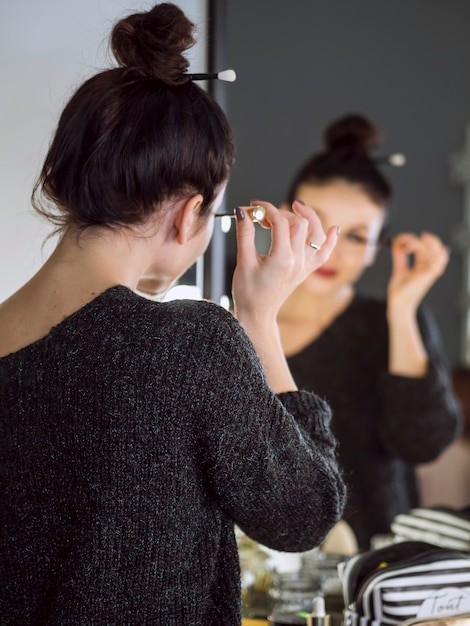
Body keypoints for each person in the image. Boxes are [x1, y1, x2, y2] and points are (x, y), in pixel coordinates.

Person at [0, 4, 347, 625]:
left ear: (61, 182)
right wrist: (257, 317)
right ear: (191, 215)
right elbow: (305, 514)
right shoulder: (189, 342)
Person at [277, 113, 462, 551]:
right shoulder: (244, 325)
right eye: (318, 224)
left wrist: (402, 309)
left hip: (377, 568)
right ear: (284, 219)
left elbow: (423, 442)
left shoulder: (394, 323)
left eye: (358, 237)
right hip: (272, 571)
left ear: (378, 248)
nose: (331, 248)